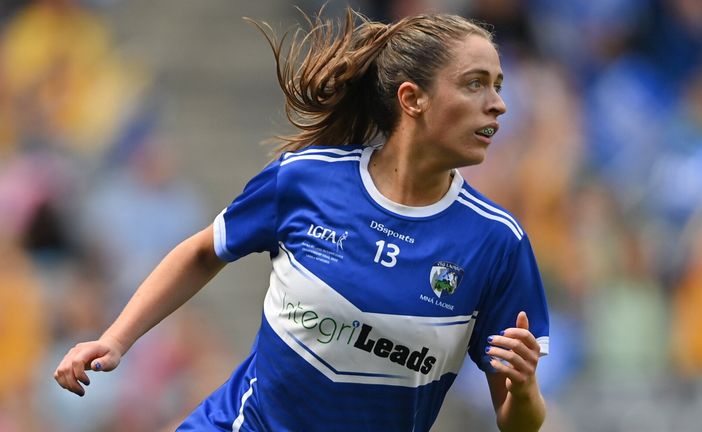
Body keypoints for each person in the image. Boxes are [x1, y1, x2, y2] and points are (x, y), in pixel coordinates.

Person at [54, 8, 550, 431]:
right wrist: (114, 339)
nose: (498, 104)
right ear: (412, 98)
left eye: (499, 86)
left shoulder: (496, 242)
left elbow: (515, 420)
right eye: (475, 84)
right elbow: (204, 250)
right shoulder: (305, 181)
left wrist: (524, 388)